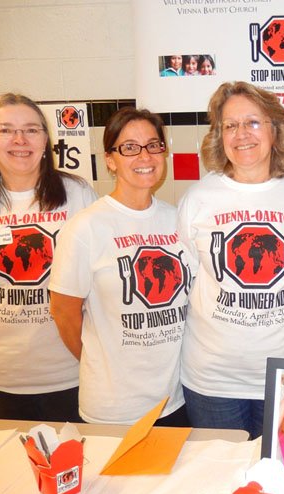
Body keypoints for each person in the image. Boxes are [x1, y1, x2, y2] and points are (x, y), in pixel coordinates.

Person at [176, 81, 284, 439]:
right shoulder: (199, 197)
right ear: (219, 135)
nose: (241, 134)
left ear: (275, 130)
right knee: (216, 483)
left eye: (253, 122)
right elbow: (189, 276)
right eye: (230, 125)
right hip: (212, 378)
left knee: (281, 479)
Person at [0, 93, 96, 421]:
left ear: (46, 140)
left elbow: (97, 272)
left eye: (31, 130)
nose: (20, 139)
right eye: (5, 130)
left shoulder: (77, 194)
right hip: (2, 370)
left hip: (70, 365)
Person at [49, 107, 190, 426]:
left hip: (174, 399)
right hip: (114, 408)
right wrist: (101, 364)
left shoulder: (177, 220)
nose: (145, 156)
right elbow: (62, 311)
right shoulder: (86, 227)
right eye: (129, 147)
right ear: (110, 159)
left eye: (154, 145)